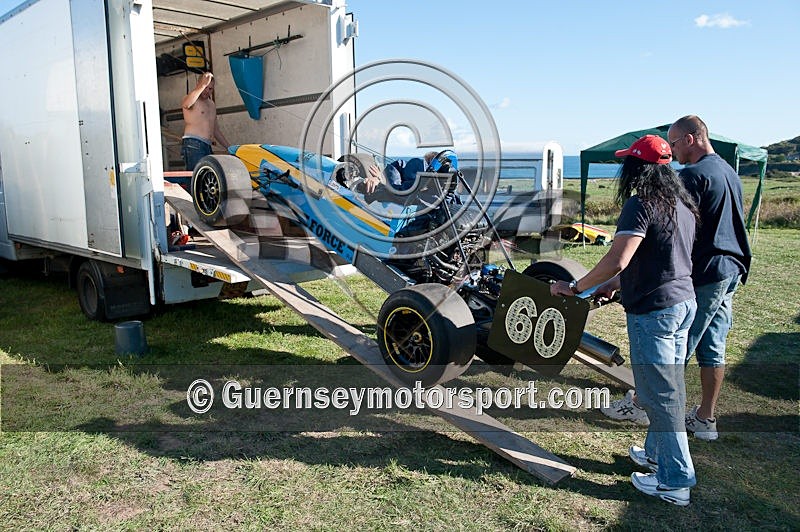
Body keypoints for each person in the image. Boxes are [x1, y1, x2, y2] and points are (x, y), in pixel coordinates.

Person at [552, 134, 698, 505]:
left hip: (656, 313)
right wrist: (617, 284)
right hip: (682, 303)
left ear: (636, 168)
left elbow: (617, 258)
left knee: (661, 395)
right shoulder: (681, 203)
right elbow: (657, 259)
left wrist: (576, 286)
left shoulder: (641, 203)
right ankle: (656, 456)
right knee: (667, 389)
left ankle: (674, 480)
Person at [601, 116, 752, 441]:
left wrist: (623, 277)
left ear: (692, 139)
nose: (674, 151)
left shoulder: (694, 176)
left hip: (702, 274)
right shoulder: (727, 171)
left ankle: (643, 407)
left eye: (675, 141)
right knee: (713, 348)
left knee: (672, 350)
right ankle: (705, 419)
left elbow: (672, 234)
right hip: (729, 270)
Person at [181, 72, 230, 171]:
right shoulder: (191, 98)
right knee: (197, 176)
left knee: (206, 176)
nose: (207, 91)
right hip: (193, 143)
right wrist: (202, 85)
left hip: (207, 144)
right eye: (205, 87)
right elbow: (186, 104)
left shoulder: (211, 104)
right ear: (199, 84)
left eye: (210, 88)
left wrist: (229, 147)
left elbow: (216, 130)